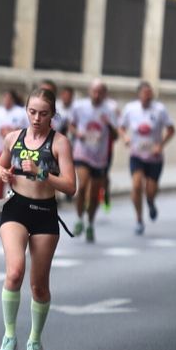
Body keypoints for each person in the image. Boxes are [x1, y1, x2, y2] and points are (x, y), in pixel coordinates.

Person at [0, 87, 75, 350]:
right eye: (32, 112)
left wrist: (43, 173)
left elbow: (70, 186)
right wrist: (2, 172)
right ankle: (9, 336)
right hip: (16, 208)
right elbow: (0, 165)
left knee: (38, 286)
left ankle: (35, 340)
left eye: (43, 113)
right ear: (26, 110)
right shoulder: (13, 138)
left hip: (44, 213)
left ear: (53, 115)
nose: (37, 118)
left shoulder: (59, 143)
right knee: (14, 272)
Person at [118, 82, 175, 235]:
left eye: (150, 94)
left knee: (150, 190)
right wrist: (125, 137)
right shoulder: (130, 108)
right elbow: (121, 127)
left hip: (154, 157)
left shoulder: (160, 109)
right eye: (144, 94)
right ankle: (138, 219)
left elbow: (171, 130)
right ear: (139, 95)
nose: (147, 97)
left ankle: (150, 202)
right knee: (136, 186)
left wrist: (161, 145)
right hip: (136, 154)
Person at [68, 81, 118, 242]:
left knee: (95, 193)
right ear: (89, 91)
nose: (96, 95)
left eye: (100, 92)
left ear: (105, 94)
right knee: (82, 186)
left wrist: (109, 125)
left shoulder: (110, 110)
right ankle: (79, 219)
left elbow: (116, 135)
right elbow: (71, 125)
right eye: (94, 92)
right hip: (82, 153)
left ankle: (90, 223)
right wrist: (78, 134)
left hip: (100, 157)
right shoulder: (79, 106)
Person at [0, 88, 29, 200]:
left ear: (12, 99)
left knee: (13, 178)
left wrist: (14, 132)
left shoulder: (21, 112)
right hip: (0, 149)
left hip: (15, 151)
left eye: (8, 98)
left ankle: (14, 200)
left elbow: (27, 130)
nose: (6, 100)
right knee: (0, 176)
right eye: (4, 98)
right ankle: (0, 203)